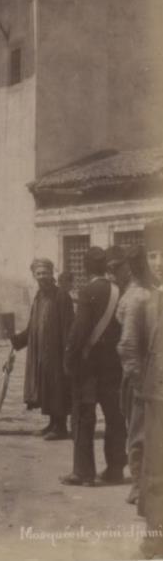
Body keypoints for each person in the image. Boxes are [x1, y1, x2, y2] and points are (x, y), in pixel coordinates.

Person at [61, 246, 127, 487]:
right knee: (115, 418)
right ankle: (116, 469)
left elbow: (80, 331)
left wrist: (69, 360)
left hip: (88, 369)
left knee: (83, 417)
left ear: (87, 268)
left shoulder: (88, 291)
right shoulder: (118, 291)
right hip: (113, 368)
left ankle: (83, 472)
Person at [10, 258, 75, 440]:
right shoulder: (39, 296)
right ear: (34, 275)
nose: (42, 277)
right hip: (40, 352)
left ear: (52, 273)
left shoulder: (61, 296)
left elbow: (68, 328)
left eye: (45, 273)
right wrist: (19, 340)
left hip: (57, 352)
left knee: (57, 387)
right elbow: (33, 325)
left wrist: (67, 356)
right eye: (38, 274)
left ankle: (60, 427)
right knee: (46, 387)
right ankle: (52, 423)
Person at [116, 245, 157, 505]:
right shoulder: (136, 298)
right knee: (140, 434)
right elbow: (128, 345)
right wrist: (140, 381)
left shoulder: (149, 293)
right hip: (141, 378)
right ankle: (136, 486)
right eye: (149, 260)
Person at [138, 219, 163, 558]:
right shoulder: (153, 298)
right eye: (154, 255)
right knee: (154, 466)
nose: (158, 263)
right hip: (156, 395)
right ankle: (155, 536)